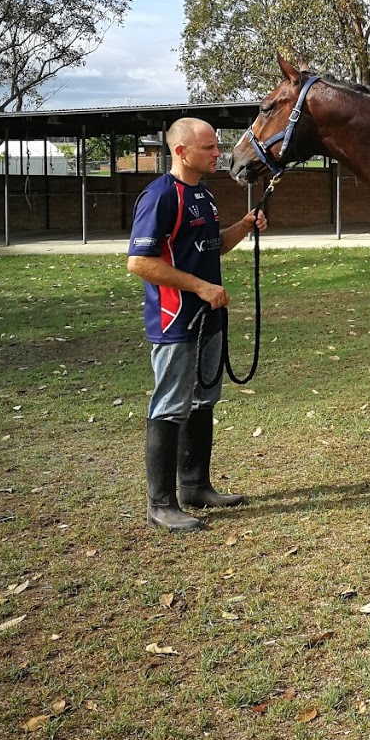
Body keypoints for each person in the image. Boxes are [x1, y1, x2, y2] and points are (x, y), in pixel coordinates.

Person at [127, 117, 268, 532]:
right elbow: (140, 262)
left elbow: (214, 245)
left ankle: (194, 485)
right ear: (181, 151)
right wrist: (201, 287)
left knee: (203, 400)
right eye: (208, 147)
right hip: (176, 321)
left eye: (216, 146)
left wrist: (244, 226)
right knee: (170, 404)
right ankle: (160, 504)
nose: (217, 153)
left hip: (210, 319)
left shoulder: (203, 196)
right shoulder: (160, 197)